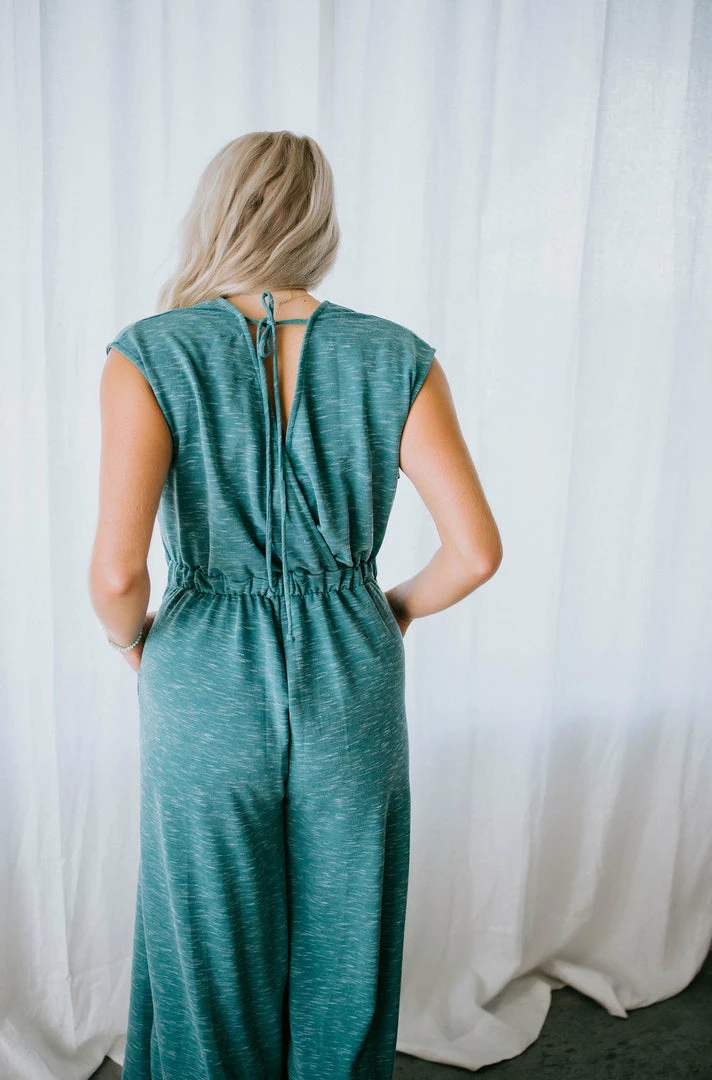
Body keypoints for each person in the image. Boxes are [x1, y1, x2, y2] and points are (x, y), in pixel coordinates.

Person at [89, 130, 502, 1080]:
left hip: (202, 669)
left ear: (213, 213)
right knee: (345, 947)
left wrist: (132, 644)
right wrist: (391, 609)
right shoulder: (396, 356)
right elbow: (476, 552)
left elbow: (116, 576)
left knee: (210, 951)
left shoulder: (149, 354)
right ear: (320, 222)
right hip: (351, 660)